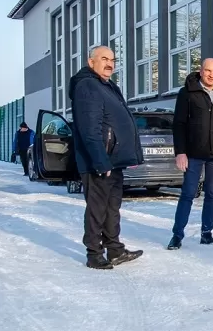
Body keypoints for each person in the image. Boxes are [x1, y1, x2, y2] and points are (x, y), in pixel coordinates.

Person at [69, 45, 144, 269]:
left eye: (112, 59)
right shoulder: (87, 86)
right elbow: (89, 128)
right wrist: (100, 160)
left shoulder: (107, 86)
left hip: (114, 161)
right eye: (104, 59)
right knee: (97, 209)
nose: (110, 63)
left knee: (112, 208)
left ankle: (114, 249)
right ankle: (94, 254)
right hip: (99, 162)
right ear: (91, 62)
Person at [167, 58, 213, 250]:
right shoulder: (187, 92)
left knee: (212, 194)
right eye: (208, 71)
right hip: (193, 153)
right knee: (188, 194)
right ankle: (177, 235)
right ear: (201, 71)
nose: (211, 75)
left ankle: (207, 233)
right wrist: (180, 152)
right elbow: (179, 125)